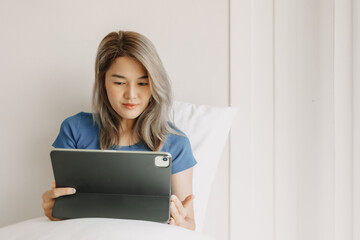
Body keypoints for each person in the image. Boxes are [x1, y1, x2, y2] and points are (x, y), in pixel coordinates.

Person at [41, 31, 197, 230]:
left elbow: (190, 224)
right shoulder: (75, 129)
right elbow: (65, 209)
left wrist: (180, 222)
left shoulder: (176, 142)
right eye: (119, 83)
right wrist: (54, 211)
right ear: (103, 81)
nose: (131, 95)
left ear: (155, 84)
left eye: (142, 83)